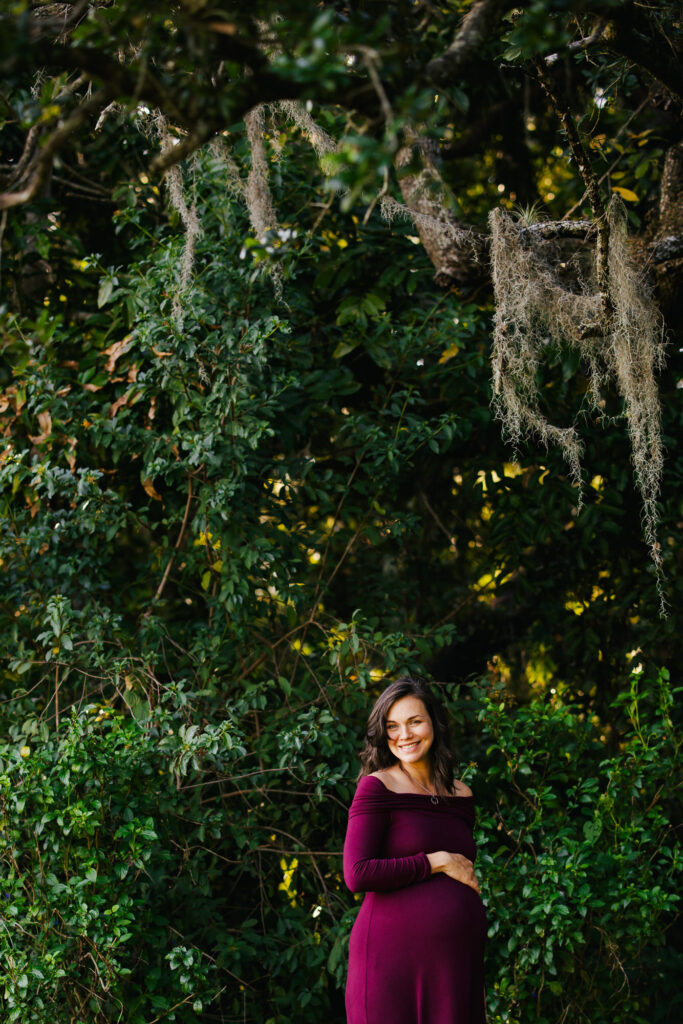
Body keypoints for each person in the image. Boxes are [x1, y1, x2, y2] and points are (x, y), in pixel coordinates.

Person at [343, 676, 487, 1024]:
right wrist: (437, 861)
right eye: (392, 726)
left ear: (434, 723)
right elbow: (356, 873)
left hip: (453, 969)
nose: (404, 735)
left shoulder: (462, 795)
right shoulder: (377, 787)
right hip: (391, 964)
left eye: (414, 722)